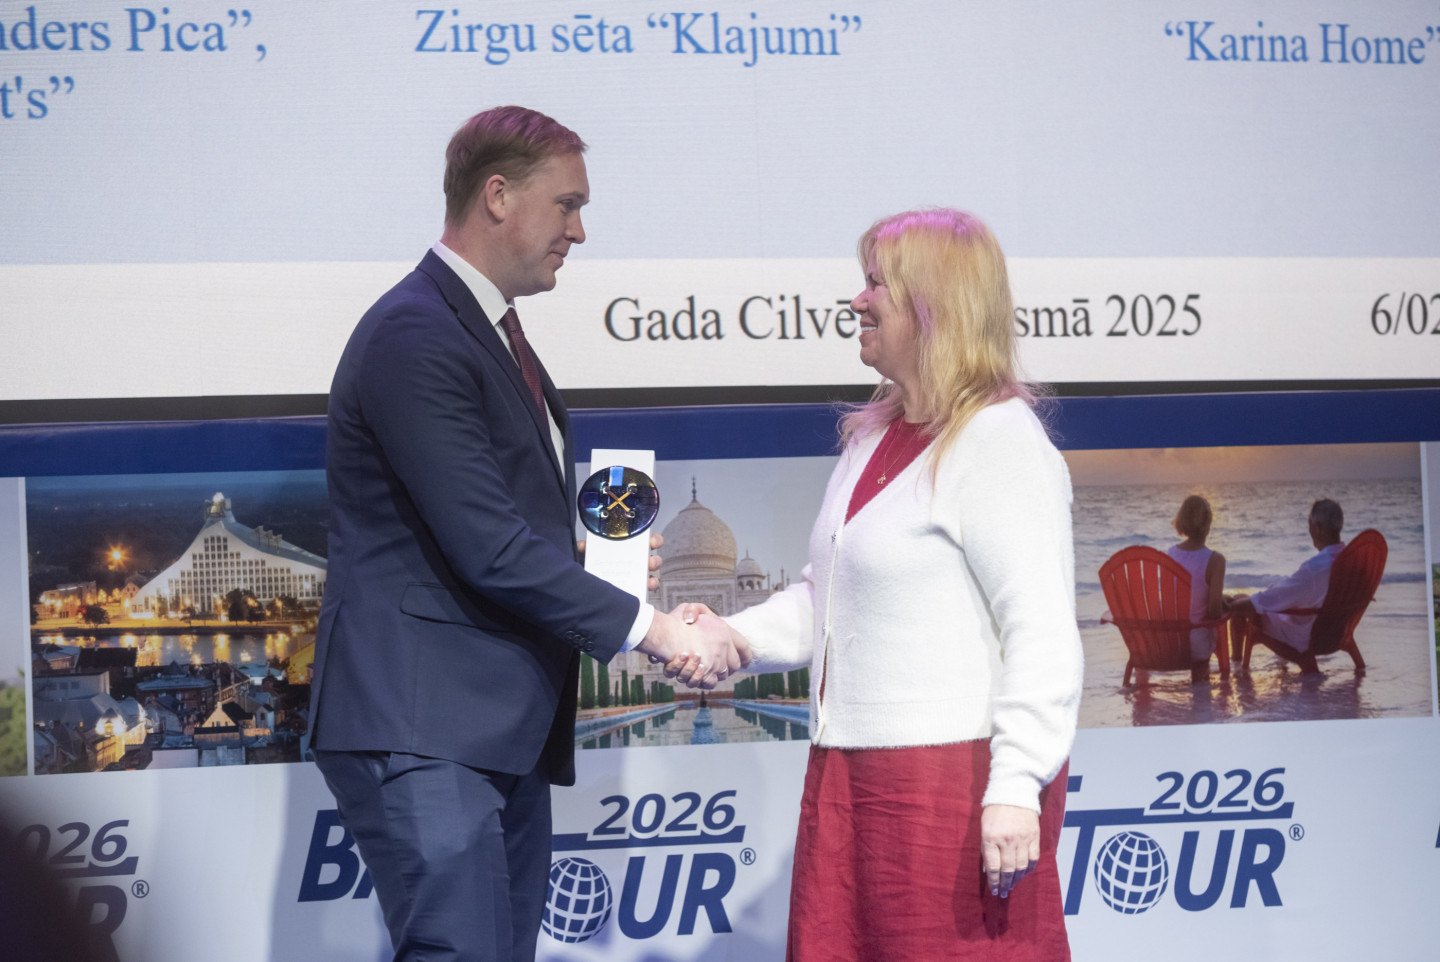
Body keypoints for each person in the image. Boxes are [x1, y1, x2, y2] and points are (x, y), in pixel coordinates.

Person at [307, 106, 745, 962]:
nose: (580, 232)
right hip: (426, 724)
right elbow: (488, 548)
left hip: (488, 729)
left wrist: (581, 562)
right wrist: (654, 630)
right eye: (567, 205)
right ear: (498, 195)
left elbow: (475, 527)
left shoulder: (487, 331)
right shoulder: (415, 333)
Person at [674, 208, 1082, 960]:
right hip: (849, 772)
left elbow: (1043, 634)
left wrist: (1017, 786)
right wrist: (734, 636)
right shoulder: (871, 437)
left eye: (876, 284)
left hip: (947, 785)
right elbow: (828, 599)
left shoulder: (999, 441)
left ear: (935, 304)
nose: (857, 301)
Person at [1227, 498, 1345, 675]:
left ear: (1317, 528)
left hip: (1307, 635)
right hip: (1338, 632)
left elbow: (1273, 598)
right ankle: (1237, 665)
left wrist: (1230, 607)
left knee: (1240, 604)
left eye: (1310, 525)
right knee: (1249, 601)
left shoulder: (1316, 568)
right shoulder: (1349, 559)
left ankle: (1236, 668)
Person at [1166, 494, 1226, 684]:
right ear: (1208, 525)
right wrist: (1223, 604)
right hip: (1196, 646)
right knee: (1211, 629)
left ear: (1182, 521)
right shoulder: (1216, 560)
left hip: (1169, 641)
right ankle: (1201, 689)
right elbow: (1214, 612)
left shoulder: (1171, 554)